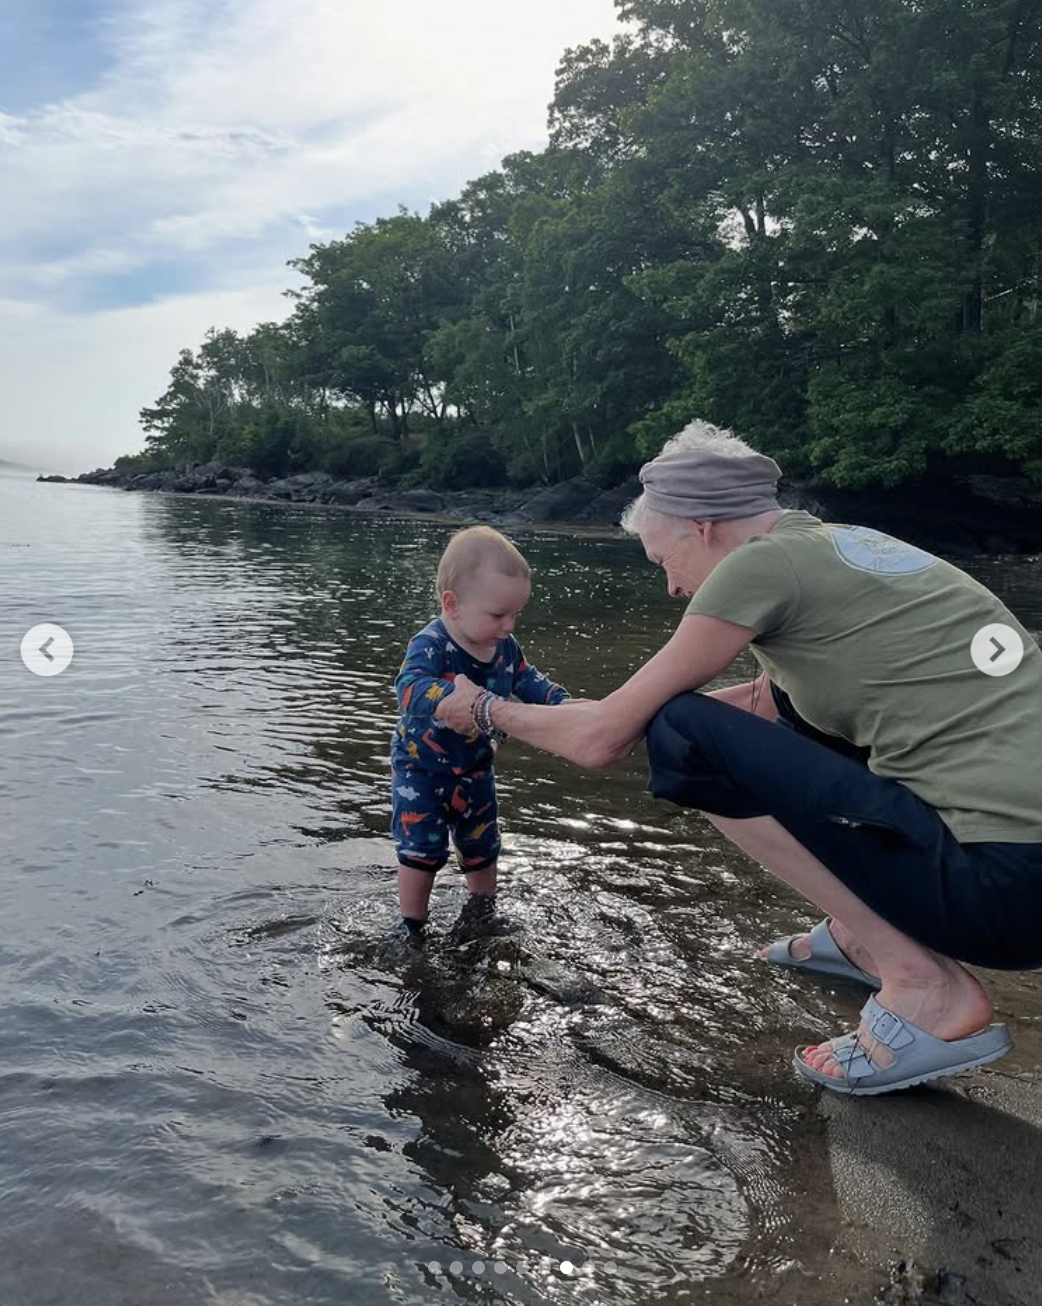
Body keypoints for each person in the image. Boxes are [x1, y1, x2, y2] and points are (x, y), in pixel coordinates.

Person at [433, 420, 1042, 1095]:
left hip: (1007, 892)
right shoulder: (839, 547)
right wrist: (597, 716)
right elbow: (727, 713)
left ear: (702, 528)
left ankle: (924, 984)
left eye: (664, 561)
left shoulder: (759, 565)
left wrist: (484, 711)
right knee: (768, 714)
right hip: (1020, 873)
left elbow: (609, 739)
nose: (671, 587)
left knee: (683, 739)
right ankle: (858, 934)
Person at [390, 526, 570, 946]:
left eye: (515, 614)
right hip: (421, 770)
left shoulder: (505, 646)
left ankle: (482, 907)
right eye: (497, 615)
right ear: (453, 604)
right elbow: (408, 687)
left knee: (482, 843)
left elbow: (527, 680)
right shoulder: (433, 644)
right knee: (421, 849)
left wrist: (563, 704)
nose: (508, 625)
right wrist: (451, 696)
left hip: (475, 768)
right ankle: (411, 924)